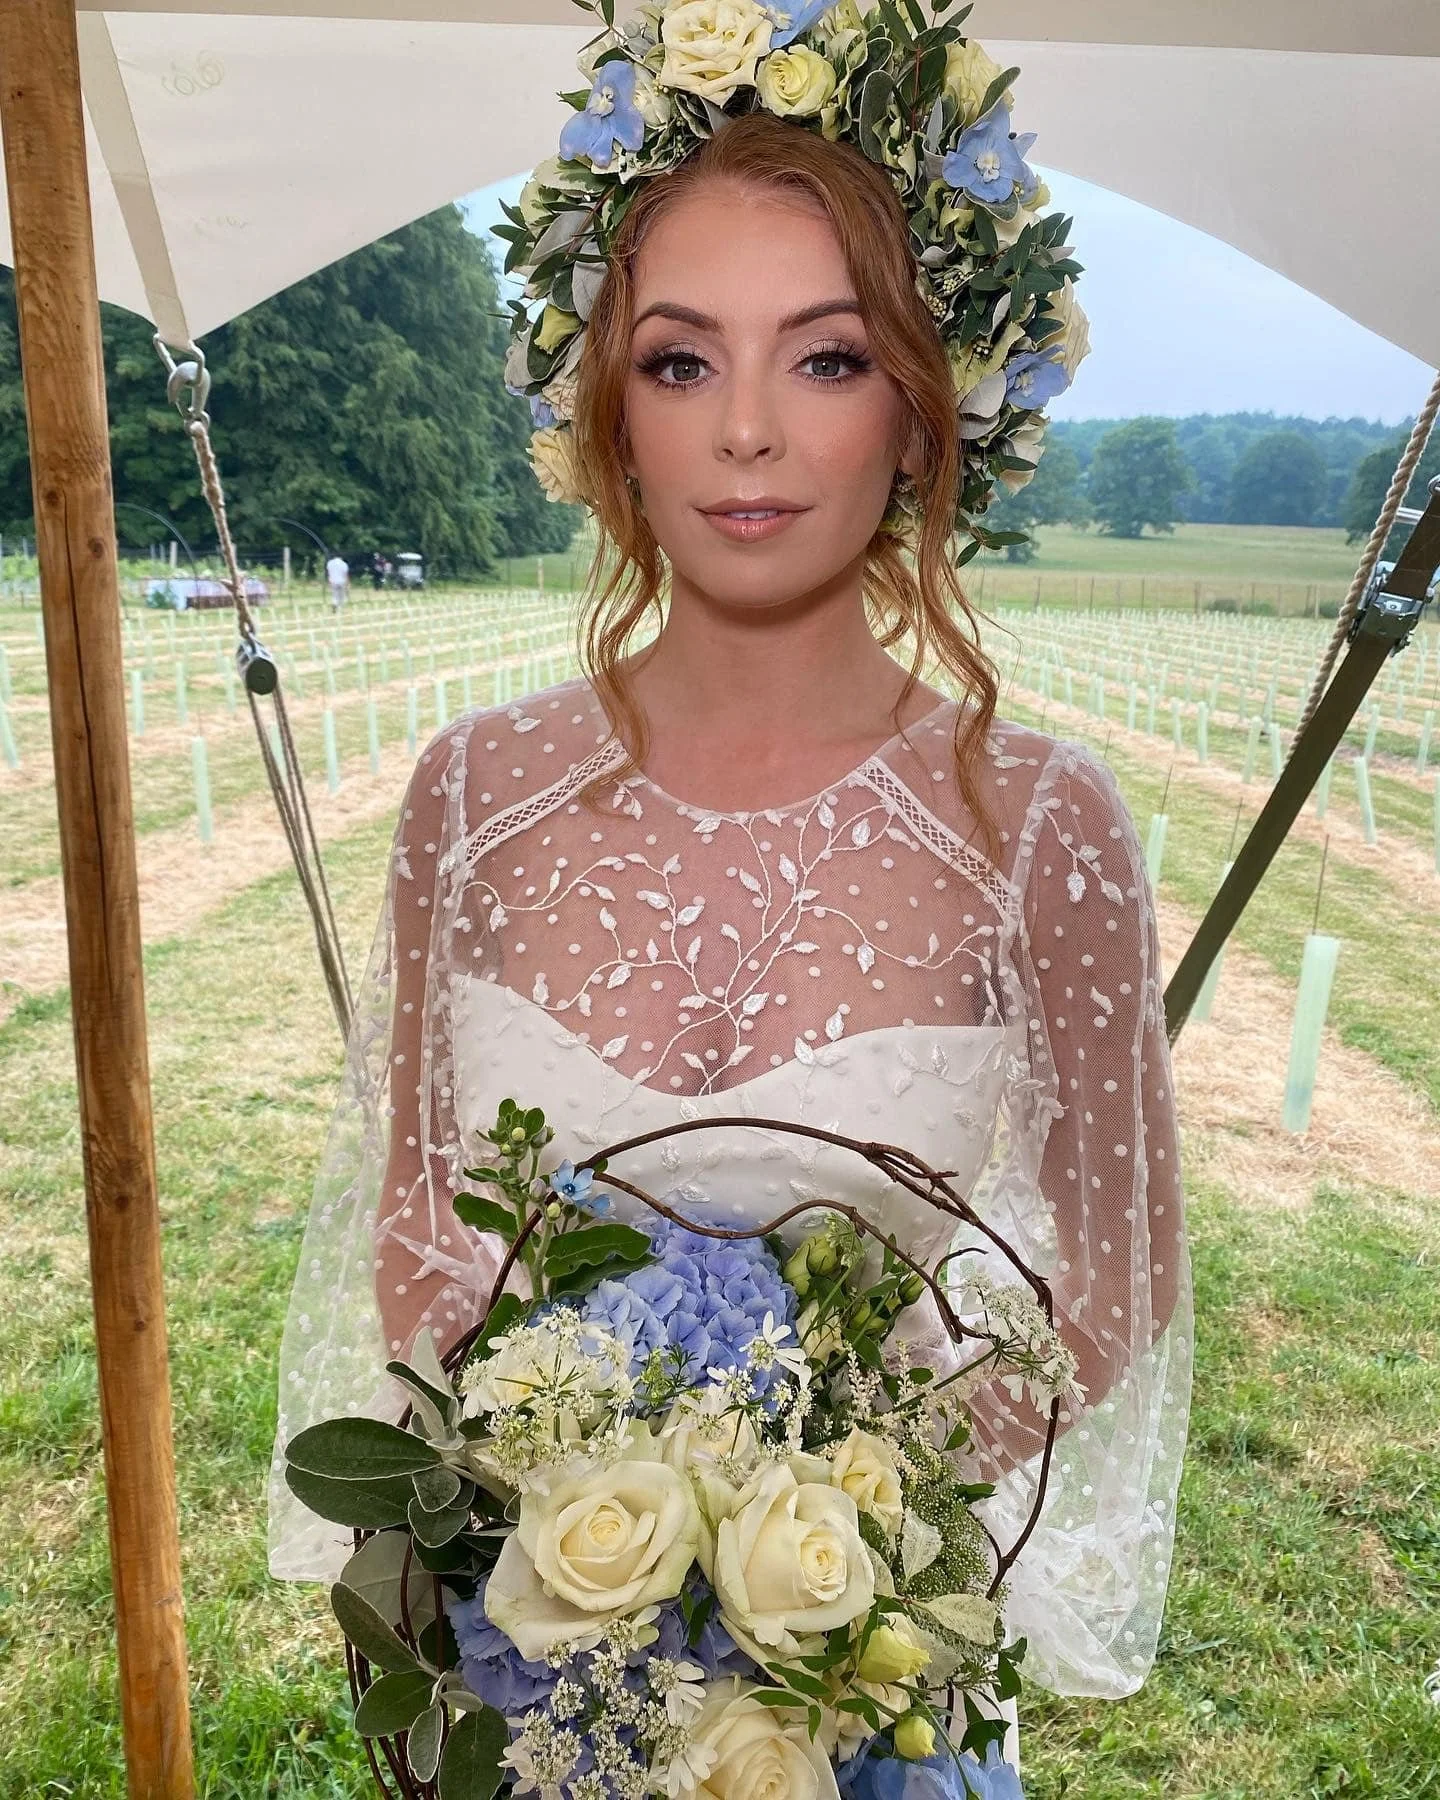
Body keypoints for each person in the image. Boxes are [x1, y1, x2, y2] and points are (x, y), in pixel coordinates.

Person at [270, 32, 1192, 1776]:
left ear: (925, 407)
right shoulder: (470, 795)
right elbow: (410, 1216)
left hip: (856, 1696)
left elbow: (1118, 1268)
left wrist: (843, 1536)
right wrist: (552, 1526)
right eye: (682, 360)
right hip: (537, 1673)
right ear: (608, 408)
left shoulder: (1039, 823)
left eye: (826, 357)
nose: (748, 430)